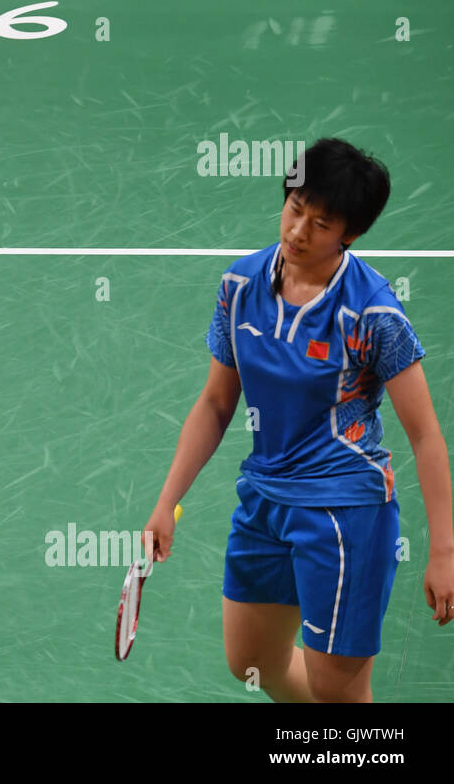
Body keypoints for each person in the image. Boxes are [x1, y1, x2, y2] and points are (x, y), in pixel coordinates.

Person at [143, 137, 453, 702]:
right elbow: (216, 403)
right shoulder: (241, 286)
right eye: (295, 209)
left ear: (351, 235)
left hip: (343, 509)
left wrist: (444, 554)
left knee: (336, 687)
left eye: (321, 222)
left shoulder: (372, 312)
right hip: (265, 498)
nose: (297, 231)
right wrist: (167, 501)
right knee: (251, 661)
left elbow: (426, 434)